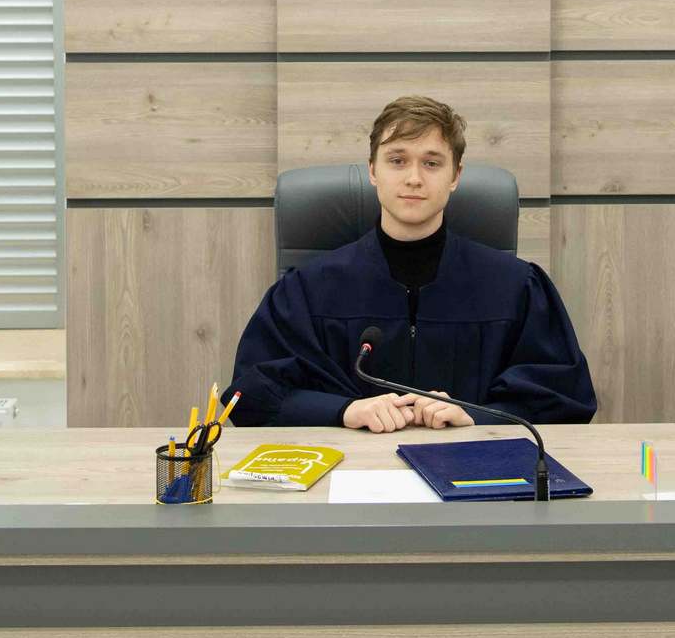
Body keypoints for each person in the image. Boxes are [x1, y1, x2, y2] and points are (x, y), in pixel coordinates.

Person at [230, 95, 597, 430]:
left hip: (474, 470)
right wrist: (344, 411)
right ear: (373, 171)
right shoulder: (308, 290)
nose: (414, 179)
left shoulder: (515, 287)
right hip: (350, 472)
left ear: (455, 176)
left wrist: (475, 415)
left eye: (432, 163)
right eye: (397, 161)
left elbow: (566, 398)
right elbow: (249, 397)